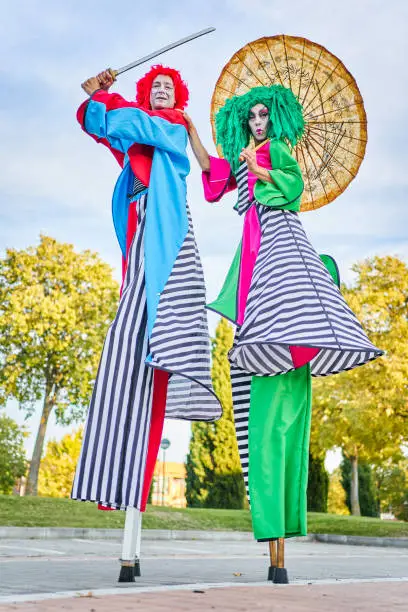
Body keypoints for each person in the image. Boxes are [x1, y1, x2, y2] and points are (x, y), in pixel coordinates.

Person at [185, 84, 383, 541]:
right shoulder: (247, 153)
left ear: (274, 118)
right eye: (252, 117)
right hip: (251, 243)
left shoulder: (276, 149)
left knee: (284, 316)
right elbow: (214, 177)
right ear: (244, 121)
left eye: (264, 116)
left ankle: (296, 330)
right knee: (256, 330)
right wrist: (194, 132)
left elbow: (292, 189)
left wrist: (262, 171)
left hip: (277, 233)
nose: (258, 122)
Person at [71, 65, 221, 517]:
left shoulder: (170, 126)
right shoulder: (139, 141)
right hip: (140, 245)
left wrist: (106, 100)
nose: (160, 91)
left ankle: (129, 484)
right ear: (144, 91)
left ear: (177, 99)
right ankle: (117, 482)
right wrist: (95, 96)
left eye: (168, 88)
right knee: (128, 360)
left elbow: (126, 122)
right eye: (154, 86)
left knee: (142, 349)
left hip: (165, 242)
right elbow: (96, 125)